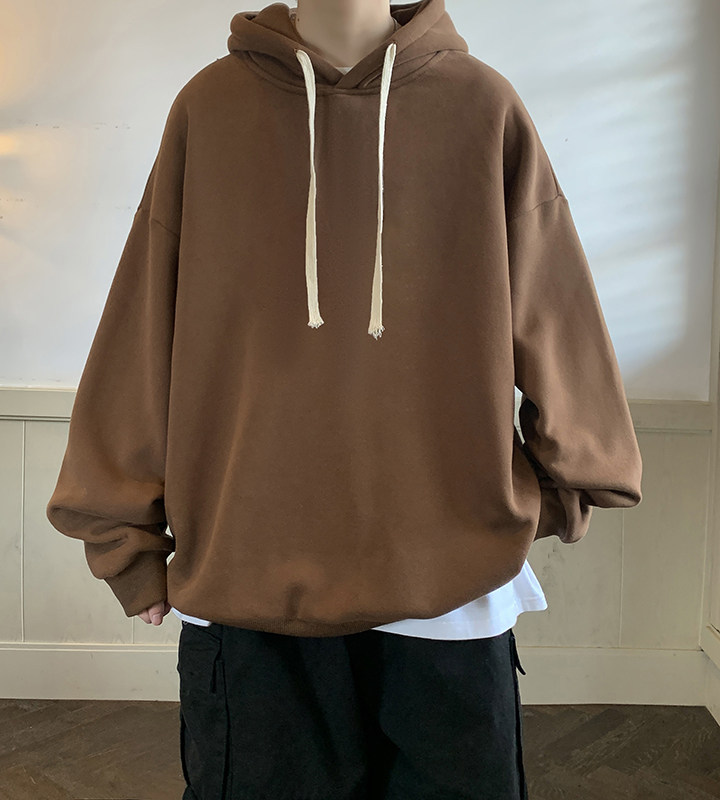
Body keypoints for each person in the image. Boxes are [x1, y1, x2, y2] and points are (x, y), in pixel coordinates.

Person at [46, 0, 643, 797]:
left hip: (453, 596)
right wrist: (123, 534)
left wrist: (567, 482)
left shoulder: (482, 105)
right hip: (248, 587)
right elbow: (146, 317)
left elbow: (551, 305)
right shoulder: (211, 108)